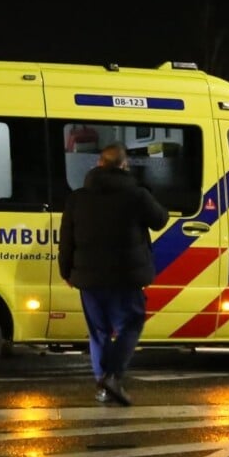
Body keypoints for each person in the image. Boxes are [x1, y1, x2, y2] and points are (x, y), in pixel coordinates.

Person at [58, 144, 167, 406]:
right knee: (131, 324)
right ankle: (113, 375)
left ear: (98, 163)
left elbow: (66, 240)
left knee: (98, 332)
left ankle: (103, 384)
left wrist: (66, 271)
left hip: (89, 280)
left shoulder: (78, 197)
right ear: (124, 165)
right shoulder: (137, 195)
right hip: (126, 278)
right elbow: (160, 219)